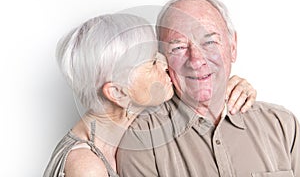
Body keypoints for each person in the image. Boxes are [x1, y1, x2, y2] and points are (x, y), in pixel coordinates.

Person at [44, 13, 256, 177]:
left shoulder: (128, 124)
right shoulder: (86, 167)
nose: (165, 65)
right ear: (117, 92)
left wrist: (227, 88)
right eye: (153, 62)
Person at [116, 0, 300, 177]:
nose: (196, 60)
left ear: (233, 47)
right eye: (178, 47)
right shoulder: (141, 139)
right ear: (162, 57)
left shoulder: (282, 125)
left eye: (209, 42)